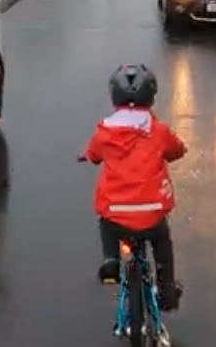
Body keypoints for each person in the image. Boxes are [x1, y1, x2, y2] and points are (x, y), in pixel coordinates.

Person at [78, 64, 186, 311]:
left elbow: (94, 154)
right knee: (161, 243)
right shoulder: (158, 131)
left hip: (116, 211)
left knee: (106, 223)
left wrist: (88, 156)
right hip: (152, 212)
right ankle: (167, 292)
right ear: (151, 96)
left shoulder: (104, 132)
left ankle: (111, 261)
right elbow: (177, 150)